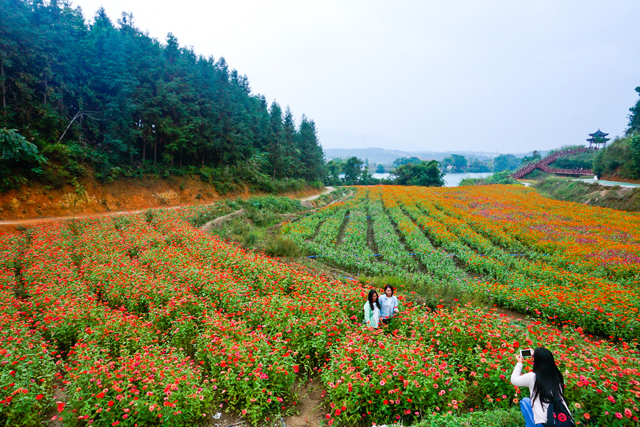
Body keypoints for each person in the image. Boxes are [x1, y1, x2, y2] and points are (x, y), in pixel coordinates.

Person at [511, 347, 570, 427]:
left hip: (544, 423)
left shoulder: (533, 377)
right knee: (527, 401)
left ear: (536, 361)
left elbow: (514, 380)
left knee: (524, 401)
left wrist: (519, 363)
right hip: (562, 419)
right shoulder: (557, 376)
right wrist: (535, 355)